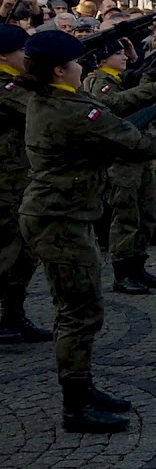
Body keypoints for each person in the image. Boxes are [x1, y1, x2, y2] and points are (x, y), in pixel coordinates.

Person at [18, 30, 156, 433]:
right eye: (77, 63)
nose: (83, 67)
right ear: (60, 69)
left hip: (63, 213)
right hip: (59, 219)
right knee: (79, 312)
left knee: (80, 308)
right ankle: (75, 405)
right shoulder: (70, 109)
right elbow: (142, 144)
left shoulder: (59, 97)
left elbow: (115, 104)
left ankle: (83, 386)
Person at [81, 40, 156, 295]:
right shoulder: (100, 83)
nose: (123, 57)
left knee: (146, 210)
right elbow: (118, 104)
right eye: (117, 53)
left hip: (138, 153)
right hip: (121, 158)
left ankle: (137, 264)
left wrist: (139, 62)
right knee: (126, 215)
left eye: (123, 52)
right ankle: (122, 272)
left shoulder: (122, 78)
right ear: (101, 59)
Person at [0, 26, 53, 343]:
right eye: (24, 52)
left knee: (24, 253)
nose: (28, 58)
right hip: (5, 181)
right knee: (6, 252)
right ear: (4, 55)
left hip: (22, 177)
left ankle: (12, 316)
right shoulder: (6, 86)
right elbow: (38, 107)